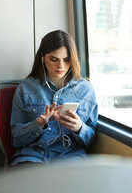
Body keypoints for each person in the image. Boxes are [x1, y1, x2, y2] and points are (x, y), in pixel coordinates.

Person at [10, 30, 98, 166]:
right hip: (32, 156)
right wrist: (38, 124)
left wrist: (79, 128)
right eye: (54, 59)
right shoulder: (25, 88)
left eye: (66, 59)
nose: (61, 66)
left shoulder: (86, 90)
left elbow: (91, 139)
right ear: (43, 58)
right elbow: (15, 139)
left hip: (70, 157)